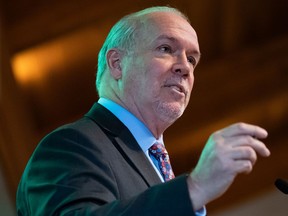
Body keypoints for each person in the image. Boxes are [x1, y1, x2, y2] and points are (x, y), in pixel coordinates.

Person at [16, 6, 270, 216]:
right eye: (166, 49)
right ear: (117, 64)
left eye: (192, 59)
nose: (185, 67)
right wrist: (194, 188)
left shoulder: (160, 167)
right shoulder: (71, 145)